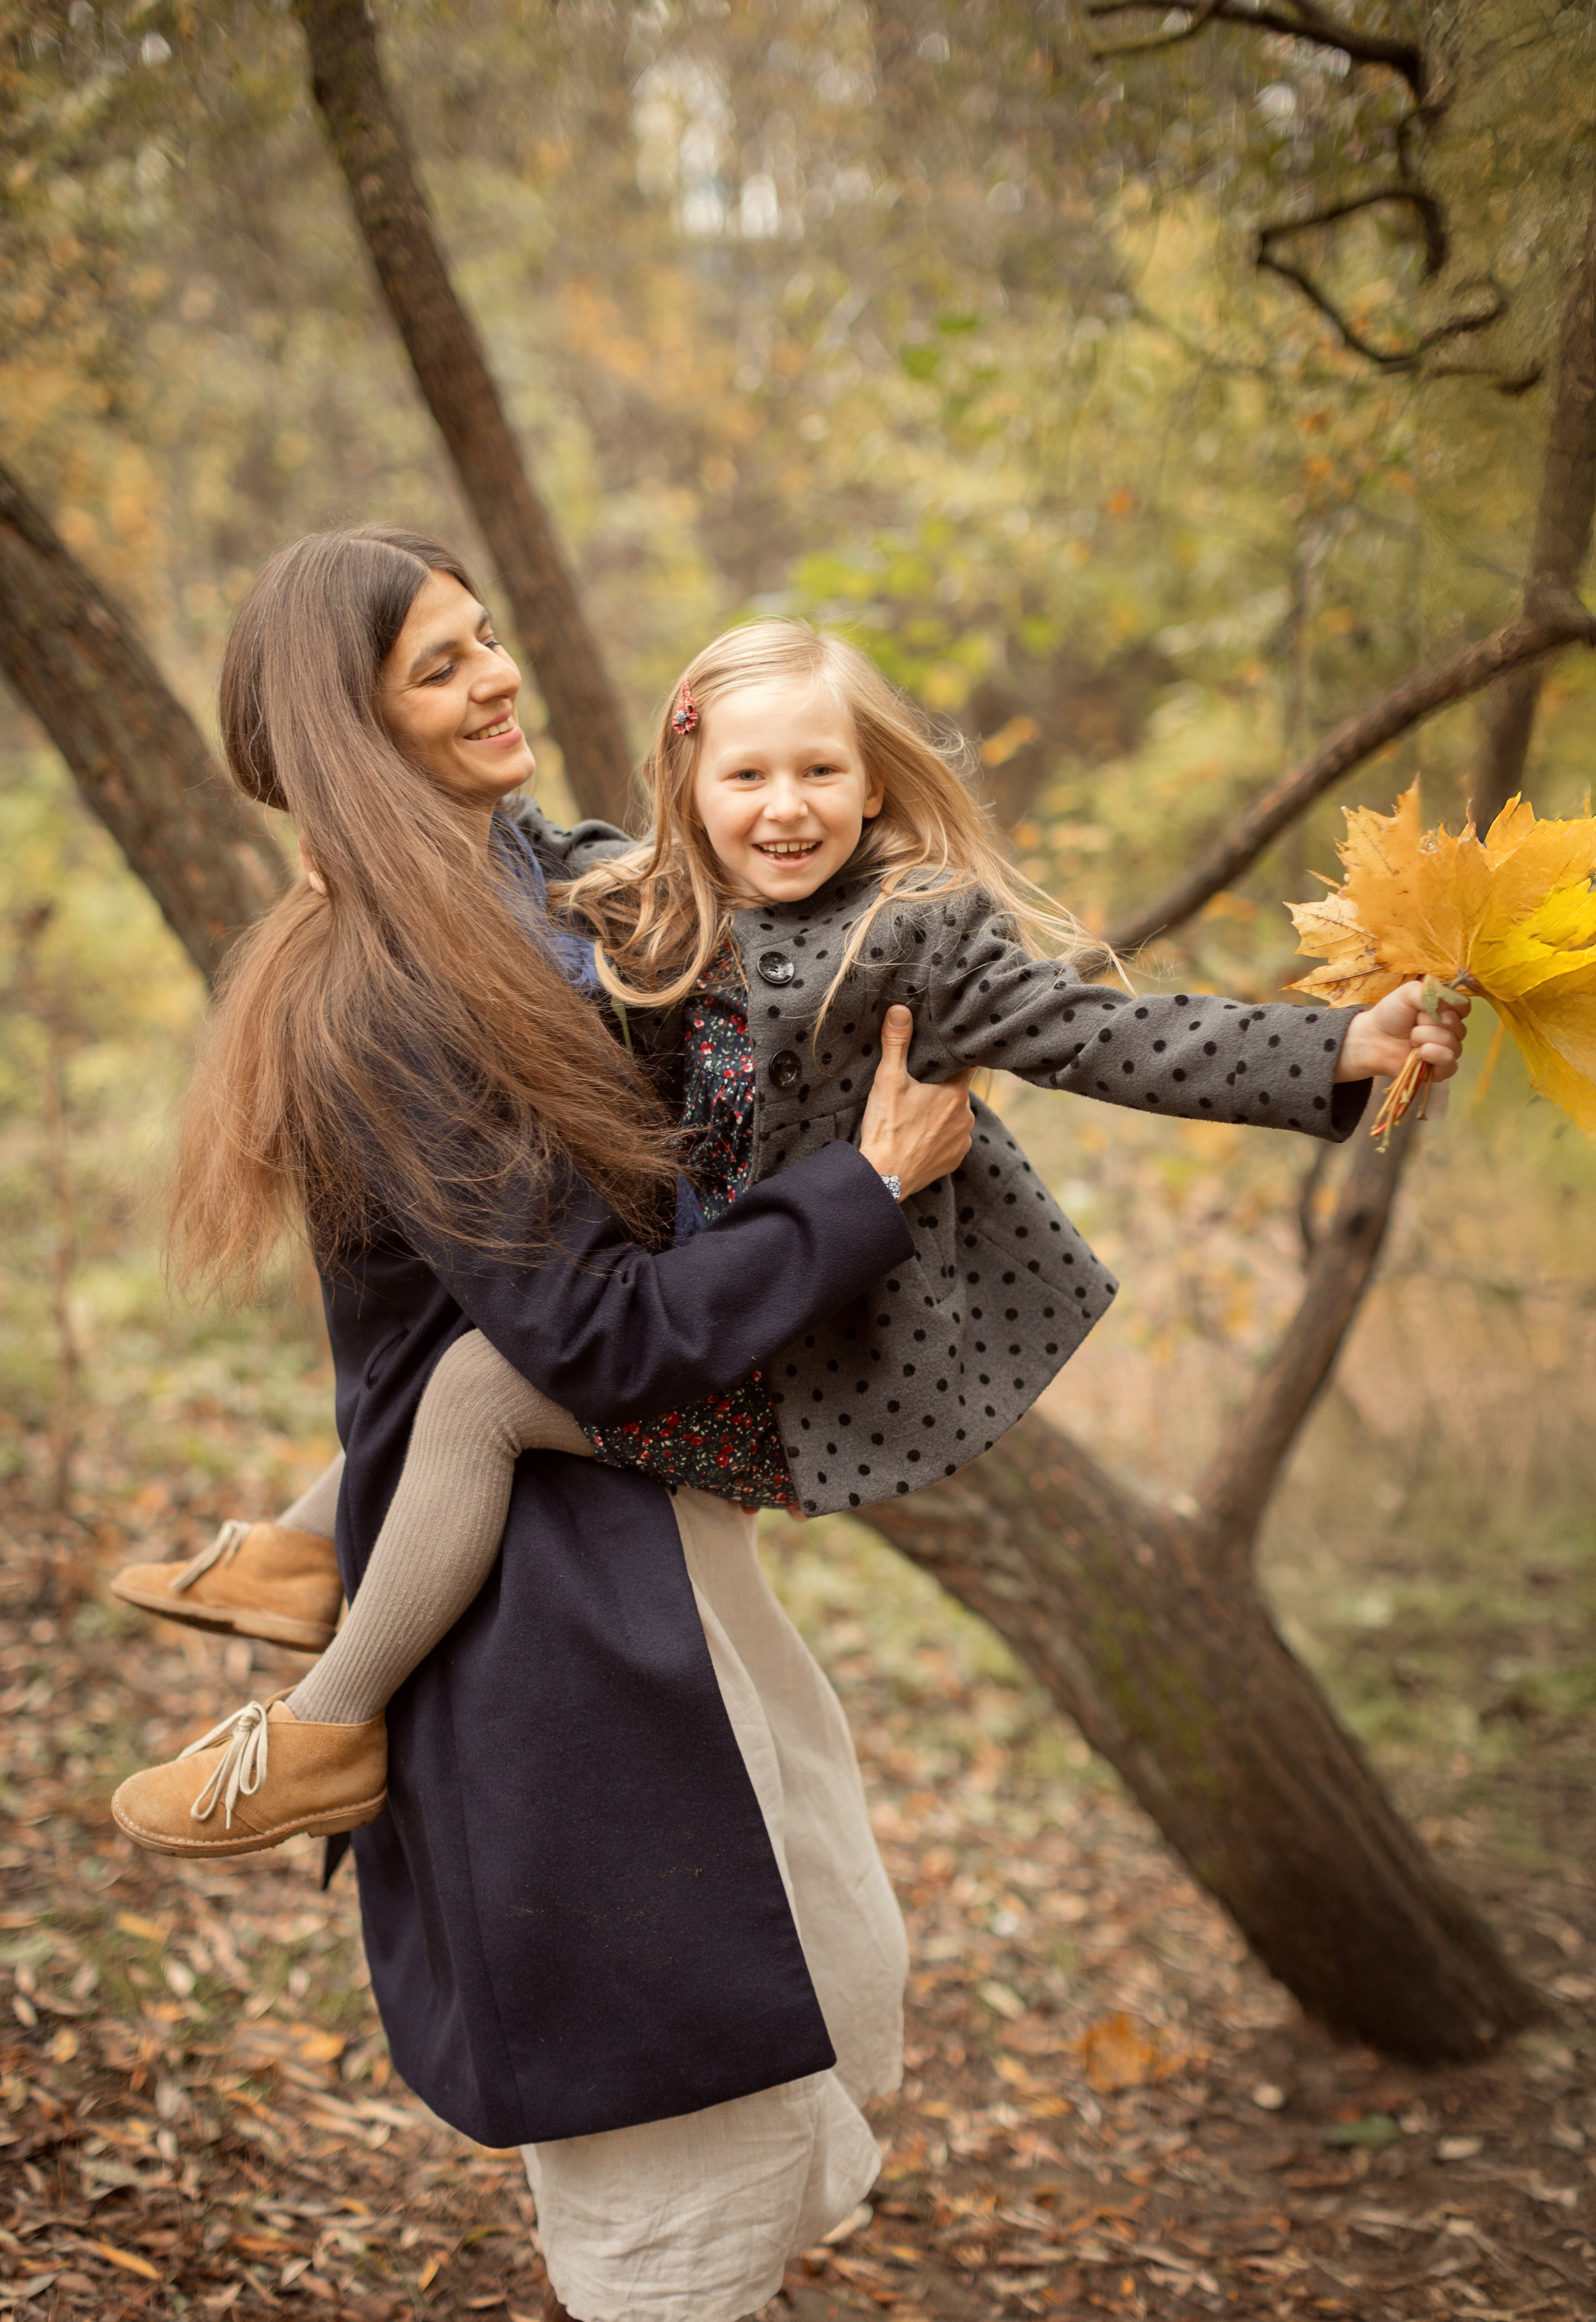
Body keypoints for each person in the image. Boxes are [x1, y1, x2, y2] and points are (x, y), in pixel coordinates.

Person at [117, 615, 1468, 1854]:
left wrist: (1341, 1047)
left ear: (873, 786)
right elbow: (523, 856)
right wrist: (353, 831)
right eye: (748, 776)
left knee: (480, 1387)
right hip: (697, 1294)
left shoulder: (914, 942)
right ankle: (305, 1548)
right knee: (504, 1292)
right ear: (690, 789)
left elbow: (1108, 1034)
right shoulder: (653, 897)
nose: (784, 807)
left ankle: (330, 1726)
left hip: (781, 1355)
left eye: (820, 772)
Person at [110, 531, 982, 2322]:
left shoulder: (519, 872)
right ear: (352, 730)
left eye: (486, 634)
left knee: (817, 1982)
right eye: (439, 666)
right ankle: (320, 1701)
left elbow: (706, 903)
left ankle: (301, 1556)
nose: (498, 675)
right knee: (676, 2170)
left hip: (632, 1537)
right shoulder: (387, 991)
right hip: (552, 1622)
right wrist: (863, 1191)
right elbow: (582, 1332)